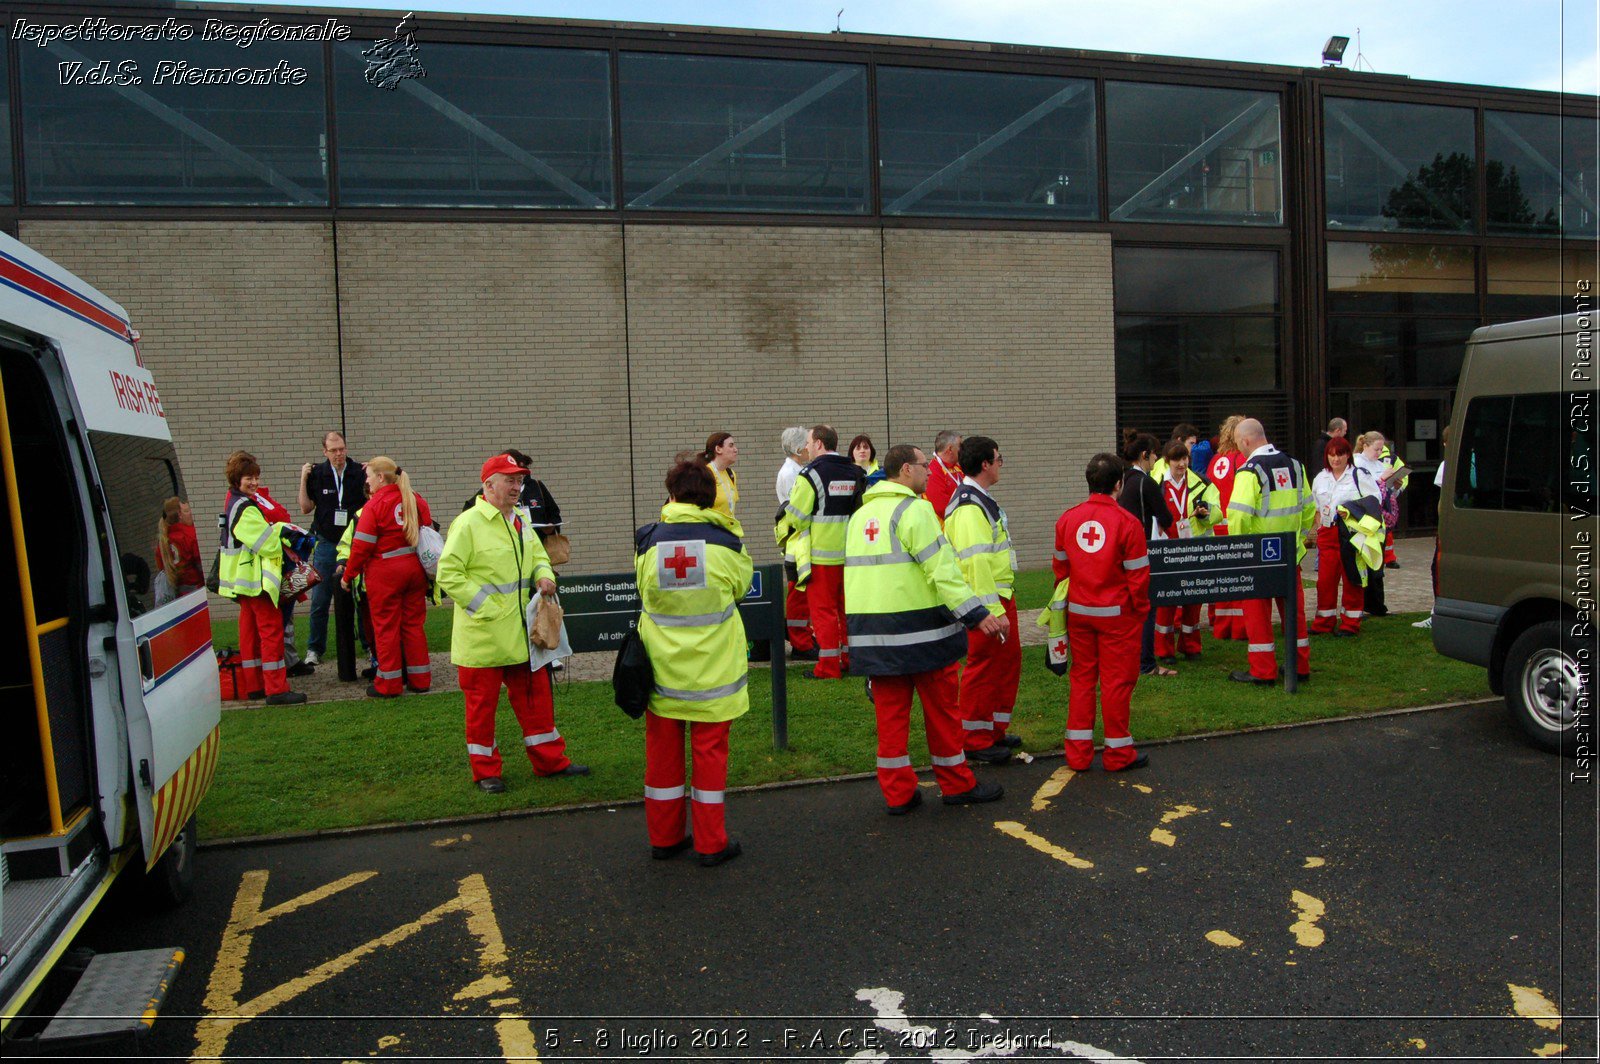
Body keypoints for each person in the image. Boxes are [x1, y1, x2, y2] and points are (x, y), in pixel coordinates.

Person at [846, 443, 1006, 813]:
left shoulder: (861, 515)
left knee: (890, 722)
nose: (930, 472)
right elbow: (944, 572)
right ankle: (956, 785)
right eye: (923, 466)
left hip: (874, 637)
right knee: (942, 715)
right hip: (923, 633)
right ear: (905, 470)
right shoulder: (915, 510)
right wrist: (977, 614)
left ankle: (898, 795)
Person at [437, 453, 588, 792]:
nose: (517, 487)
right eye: (510, 480)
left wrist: (545, 576)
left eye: (519, 480)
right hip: (485, 637)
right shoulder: (468, 523)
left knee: (536, 702)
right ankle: (486, 772)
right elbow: (448, 574)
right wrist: (486, 608)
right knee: (481, 709)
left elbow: (539, 557)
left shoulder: (520, 519)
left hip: (524, 634)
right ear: (488, 484)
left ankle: (550, 762)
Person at [634, 459, 752, 868]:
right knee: (710, 758)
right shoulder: (727, 542)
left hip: (661, 671)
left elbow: (643, 592)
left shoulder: (647, 541)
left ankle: (664, 839)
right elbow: (740, 587)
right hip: (712, 673)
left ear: (670, 494)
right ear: (710, 496)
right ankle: (710, 844)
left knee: (663, 759)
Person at [1052, 452, 1151, 772]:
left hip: (1079, 614)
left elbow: (1060, 571)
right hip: (1118, 616)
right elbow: (1138, 578)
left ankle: (1078, 755)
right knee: (1116, 683)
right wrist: (1140, 612)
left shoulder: (1067, 519)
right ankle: (1119, 753)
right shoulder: (1128, 523)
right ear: (1119, 484)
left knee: (1082, 680)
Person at [945, 435, 1022, 762]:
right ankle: (975, 738)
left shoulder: (979, 499)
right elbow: (975, 563)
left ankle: (993, 730)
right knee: (984, 666)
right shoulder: (969, 506)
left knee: (1005, 664)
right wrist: (989, 611)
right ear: (986, 464)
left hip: (1000, 596)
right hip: (986, 603)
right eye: (999, 457)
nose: (1002, 462)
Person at [1226, 418, 1315, 685]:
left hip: (1258, 555)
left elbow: (1238, 516)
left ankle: (1263, 671)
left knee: (1257, 615)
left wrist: (1240, 550)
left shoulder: (1249, 471)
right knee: (1295, 614)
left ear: (1245, 441)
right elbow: (1309, 509)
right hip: (1289, 554)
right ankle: (1299, 666)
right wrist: (1297, 540)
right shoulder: (1296, 466)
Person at [217, 451, 306, 706]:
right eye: (248, 478)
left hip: (243, 580)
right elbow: (267, 544)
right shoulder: (245, 507)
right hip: (257, 581)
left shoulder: (235, 501)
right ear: (237, 479)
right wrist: (281, 530)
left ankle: (255, 685)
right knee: (271, 632)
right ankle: (276, 688)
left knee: (249, 633)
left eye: (256, 477)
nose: (254, 483)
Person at [341, 457, 432, 698]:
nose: (367, 482)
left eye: (369, 476)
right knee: (413, 626)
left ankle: (389, 684)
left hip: (385, 573)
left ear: (381, 477)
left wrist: (348, 576)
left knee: (386, 628)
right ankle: (420, 679)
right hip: (414, 569)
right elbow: (428, 531)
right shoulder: (415, 499)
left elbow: (361, 547)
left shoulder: (375, 505)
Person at [785, 425, 865, 679]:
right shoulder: (854, 471)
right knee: (846, 610)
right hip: (850, 554)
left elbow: (796, 517)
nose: (806, 447)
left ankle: (828, 666)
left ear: (819, 443)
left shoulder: (810, 474)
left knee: (823, 612)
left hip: (820, 556)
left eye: (809, 442)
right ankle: (849, 658)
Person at [298, 431, 364, 668]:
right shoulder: (317, 474)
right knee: (320, 599)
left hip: (354, 544)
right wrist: (303, 479)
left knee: (359, 595)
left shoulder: (358, 472)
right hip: (326, 542)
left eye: (342, 449)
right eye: (334, 450)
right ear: (324, 451)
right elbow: (305, 507)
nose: (339, 454)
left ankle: (367, 645)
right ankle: (314, 649)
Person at [1152, 440, 1218, 664]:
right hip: (1167, 549)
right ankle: (1164, 649)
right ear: (1166, 461)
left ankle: (1191, 645)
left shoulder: (1202, 483)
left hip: (1193, 547)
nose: (1181, 464)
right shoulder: (1156, 483)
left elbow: (1217, 512)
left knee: (1193, 597)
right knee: (1166, 600)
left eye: (1184, 459)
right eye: (1176, 459)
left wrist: (1205, 513)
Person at [1117, 430, 1175, 677]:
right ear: (1144, 456)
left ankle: (1128, 658)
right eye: (1154, 457)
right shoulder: (1145, 483)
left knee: (1126, 609)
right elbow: (1166, 517)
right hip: (1140, 553)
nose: (1155, 462)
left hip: (1120, 554)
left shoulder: (1122, 481)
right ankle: (1146, 663)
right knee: (1146, 608)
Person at [1310, 437, 1380, 636]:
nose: (1335, 459)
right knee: (1325, 581)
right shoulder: (1320, 478)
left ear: (1348, 454)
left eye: (1340, 454)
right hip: (1327, 533)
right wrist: (1316, 528)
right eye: (1331, 455)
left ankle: (1350, 623)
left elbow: (1374, 500)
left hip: (1351, 534)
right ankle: (1323, 622)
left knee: (1352, 579)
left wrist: (1350, 510)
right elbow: (1316, 507)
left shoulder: (1358, 475)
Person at [773, 427, 816, 659]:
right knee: (798, 591)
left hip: (800, 539)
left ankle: (804, 638)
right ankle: (800, 643)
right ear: (799, 448)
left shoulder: (797, 469)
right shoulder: (791, 473)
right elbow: (798, 510)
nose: (810, 448)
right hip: (797, 540)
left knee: (803, 590)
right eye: (807, 444)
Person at [1207, 415, 1248, 641]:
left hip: (1217, 527)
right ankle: (1240, 627)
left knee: (1222, 580)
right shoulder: (1242, 459)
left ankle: (1221, 626)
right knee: (1240, 580)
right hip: (1235, 525)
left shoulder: (1216, 460)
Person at [1353, 431, 1402, 617]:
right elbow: (1365, 490)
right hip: (1364, 520)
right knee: (1364, 564)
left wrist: (1395, 486)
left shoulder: (1380, 464)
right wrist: (1382, 479)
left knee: (1377, 564)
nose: (1379, 452)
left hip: (1379, 522)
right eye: (1377, 449)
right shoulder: (1357, 463)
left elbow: (1386, 495)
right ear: (1365, 446)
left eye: (1382, 449)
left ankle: (1377, 605)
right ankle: (1362, 605)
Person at [1415, 425, 1450, 630]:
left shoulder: (1448, 464)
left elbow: (1442, 500)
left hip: (1449, 527)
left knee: (1437, 569)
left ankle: (1437, 613)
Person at [154, 496, 203, 605]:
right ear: (180, 515)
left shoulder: (163, 542)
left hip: (177, 599)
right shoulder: (190, 535)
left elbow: (162, 569)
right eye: (186, 511)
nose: (190, 513)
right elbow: (203, 567)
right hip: (197, 593)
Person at [925, 430, 963, 522]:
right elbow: (941, 508)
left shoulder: (958, 468)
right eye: (961, 446)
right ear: (950, 449)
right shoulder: (933, 472)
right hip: (945, 531)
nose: (964, 450)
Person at [701, 431, 740, 522]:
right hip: (710, 532)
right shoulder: (704, 474)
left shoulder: (731, 474)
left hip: (727, 532)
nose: (735, 449)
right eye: (731, 445)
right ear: (718, 449)